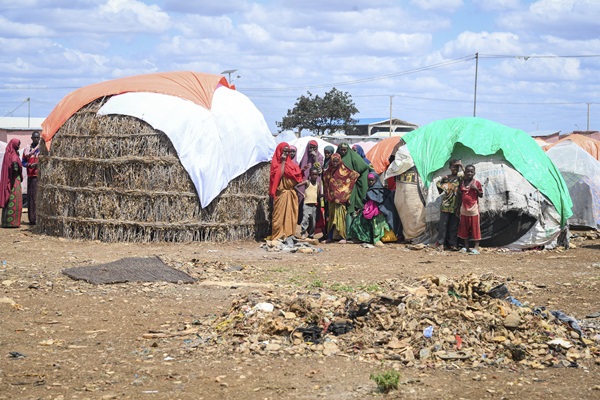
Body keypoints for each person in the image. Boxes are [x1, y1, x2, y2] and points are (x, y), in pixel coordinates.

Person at [347, 172, 395, 247]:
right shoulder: (370, 190)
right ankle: (361, 238)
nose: (370, 182)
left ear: (376, 180)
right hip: (369, 211)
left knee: (377, 221)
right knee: (357, 221)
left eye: (372, 180)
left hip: (380, 212)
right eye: (369, 180)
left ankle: (377, 240)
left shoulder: (382, 191)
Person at [322, 153, 359, 243]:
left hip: (341, 200)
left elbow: (354, 176)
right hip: (331, 200)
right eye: (333, 161)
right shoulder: (327, 172)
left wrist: (347, 195)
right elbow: (326, 184)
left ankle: (343, 237)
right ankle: (330, 237)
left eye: (337, 161)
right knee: (331, 218)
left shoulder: (345, 171)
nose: (335, 163)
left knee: (341, 218)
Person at [269, 142, 303, 240]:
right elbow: (277, 177)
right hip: (281, 193)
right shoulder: (275, 164)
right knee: (278, 215)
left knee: (291, 215)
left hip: (291, 193)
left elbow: (297, 177)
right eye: (284, 152)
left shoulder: (292, 164)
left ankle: (288, 234)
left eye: (287, 152)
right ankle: (278, 235)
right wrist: (283, 162)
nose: (285, 154)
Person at [337, 142, 370, 238]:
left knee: (350, 209)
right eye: (341, 150)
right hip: (339, 189)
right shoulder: (337, 158)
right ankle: (342, 234)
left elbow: (364, 167)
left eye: (345, 150)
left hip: (351, 188)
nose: (343, 152)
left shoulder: (354, 157)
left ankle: (351, 234)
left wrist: (354, 177)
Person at [436, 159, 463, 251]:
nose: (455, 169)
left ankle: (452, 244)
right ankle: (441, 243)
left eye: (457, 167)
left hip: (456, 205)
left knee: (454, 225)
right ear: (450, 168)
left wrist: (461, 165)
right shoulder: (446, 178)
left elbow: (467, 176)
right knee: (443, 225)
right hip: (446, 205)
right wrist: (443, 179)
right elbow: (439, 186)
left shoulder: (460, 178)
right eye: (453, 167)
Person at [458, 164, 483, 254]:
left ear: (474, 173)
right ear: (464, 173)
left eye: (471, 172)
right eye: (467, 171)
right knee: (464, 228)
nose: (469, 173)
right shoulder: (462, 183)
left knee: (475, 228)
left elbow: (481, 195)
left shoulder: (476, 183)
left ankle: (476, 247)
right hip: (464, 210)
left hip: (473, 210)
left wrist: (476, 189)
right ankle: (466, 247)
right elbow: (460, 195)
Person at [1, 138, 23, 228]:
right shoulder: (13, 155)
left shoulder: (8, 154)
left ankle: (6, 222)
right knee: (15, 200)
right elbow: (15, 168)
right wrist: (16, 172)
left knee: (9, 200)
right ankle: (13, 222)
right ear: (14, 145)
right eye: (17, 144)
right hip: (14, 181)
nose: (19, 146)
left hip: (9, 180)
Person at [295, 167, 322, 239]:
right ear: (310, 175)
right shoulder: (307, 182)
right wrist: (302, 193)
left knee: (313, 222)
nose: (314, 176)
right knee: (305, 220)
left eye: (316, 175)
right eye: (313, 174)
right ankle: (303, 233)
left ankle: (311, 235)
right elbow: (296, 186)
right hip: (306, 205)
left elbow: (318, 194)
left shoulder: (318, 184)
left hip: (314, 205)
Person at [22, 131, 41, 225]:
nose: (36, 139)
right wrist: (29, 165)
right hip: (30, 176)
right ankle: (32, 219)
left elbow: (46, 160)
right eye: (35, 138)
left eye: (38, 138)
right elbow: (23, 162)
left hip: (39, 177)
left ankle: (38, 218)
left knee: (38, 197)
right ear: (32, 138)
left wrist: (38, 165)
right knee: (31, 197)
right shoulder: (27, 149)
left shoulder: (42, 149)